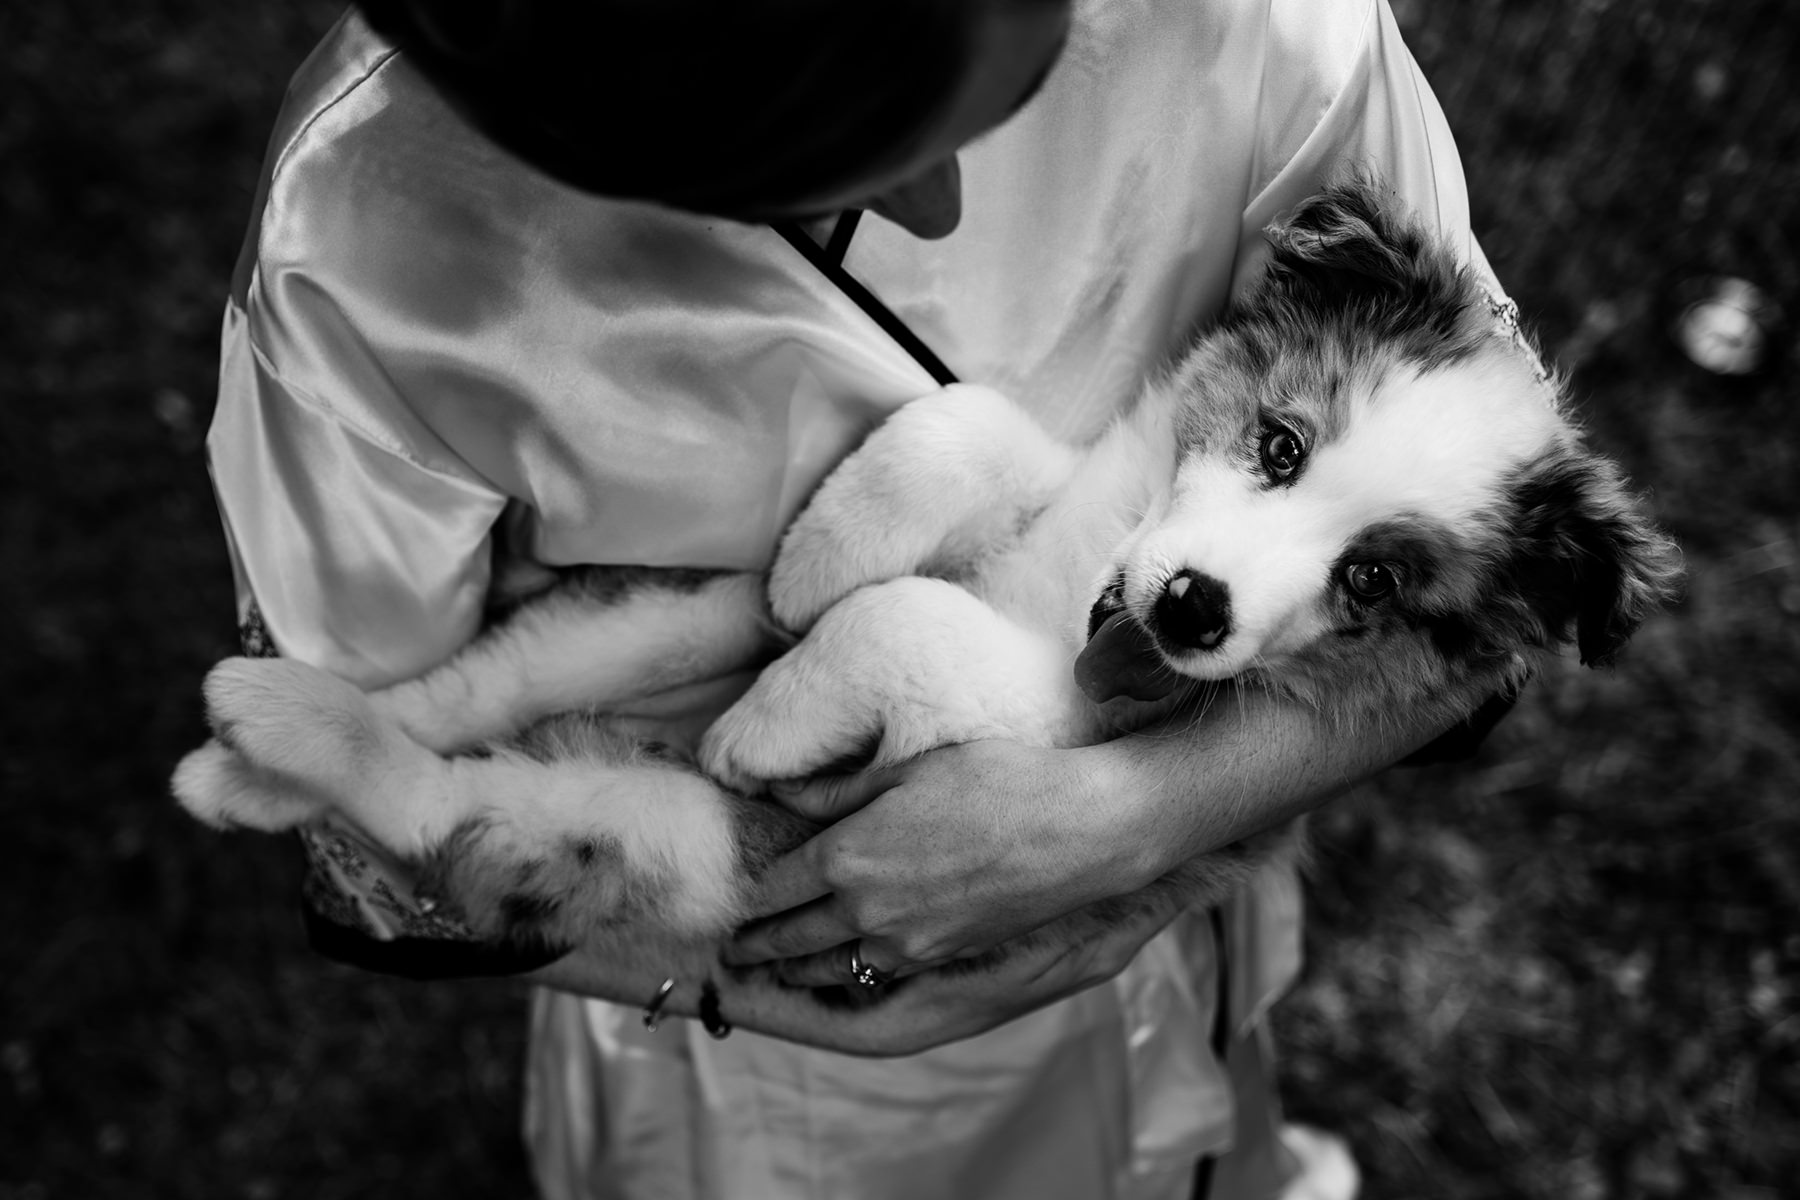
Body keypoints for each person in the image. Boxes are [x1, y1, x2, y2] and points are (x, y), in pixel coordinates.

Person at [205, 0, 1507, 1195]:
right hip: (754, 1002)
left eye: (1018, 84)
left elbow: (1487, 591)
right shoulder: (357, 235)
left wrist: (1123, 827)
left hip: (1161, 900)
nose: (939, 205)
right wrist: (762, 975)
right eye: (794, 165)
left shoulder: (1256, 22)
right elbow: (361, 809)